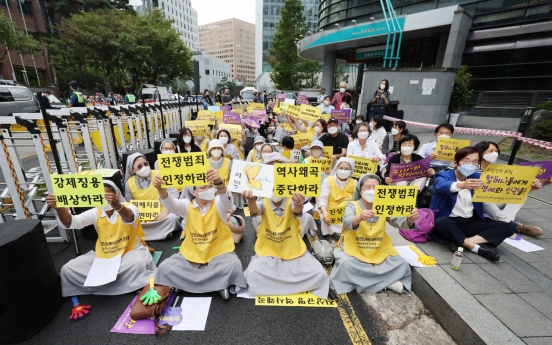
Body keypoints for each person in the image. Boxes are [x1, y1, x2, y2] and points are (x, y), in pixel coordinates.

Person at [46, 180, 155, 303]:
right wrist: (59, 208)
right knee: (68, 269)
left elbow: (129, 217)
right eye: (102, 196)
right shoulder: (95, 212)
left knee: (137, 265)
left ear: (116, 195)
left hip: (130, 253)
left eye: (108, 196)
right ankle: (121, 284)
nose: (106, 200)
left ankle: (100, 285)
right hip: (105, 256)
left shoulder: (129, 206)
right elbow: (71, 222)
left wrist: (117, 206)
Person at [152, 169, 247, 299]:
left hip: (218, 252)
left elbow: (227, 201)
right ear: (194, 191)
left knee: (233, 265)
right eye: (203, 188)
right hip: (192, 252)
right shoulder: (186, 205)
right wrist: (160, 188)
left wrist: (219, 182)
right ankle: (218, 284)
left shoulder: (218, 202)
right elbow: (170, 204)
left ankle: (182, 283)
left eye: (209, 186)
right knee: (165, 267)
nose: (208, 190)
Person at [330, 174, 419, 294]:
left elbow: (397, 221)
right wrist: (359, 217)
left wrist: (410, 220)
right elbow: (347, 220)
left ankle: (364, 282)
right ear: (360, 191)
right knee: (346, 264)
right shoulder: (353, 205)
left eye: (375, 187)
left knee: (402, 264)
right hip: (355, 246)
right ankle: (387, 282)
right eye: (368, 187)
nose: (372, 190)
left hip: (378, 246)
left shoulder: (384, 205)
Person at [430, 147, 517, 261]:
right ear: (456, 163)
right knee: (440, 222)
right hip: (448, 221)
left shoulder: (479, 177)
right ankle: (475, 247)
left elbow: (503, 187)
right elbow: (442, 186)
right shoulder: (443, 175)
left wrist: (529, 187)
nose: (470, 164)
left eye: (475, 162)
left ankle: (463, 242)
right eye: (466, 160)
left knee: (510, 226)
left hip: (470, 222)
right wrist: (462, 185)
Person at [242, 189, 330, 299]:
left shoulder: (291, 200)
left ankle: (273, 287)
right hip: (269, 253)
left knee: (319, 274)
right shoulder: (264, 203)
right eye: (272, 188)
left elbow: (297, 209)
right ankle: (297, 286)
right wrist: (250, 200)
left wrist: (299, 203)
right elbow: (255, 210)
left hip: (293, 252)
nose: (275, 191)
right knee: (252, 274)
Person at [475, 141, 546, 237]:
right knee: (483, 197)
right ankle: (514, 226)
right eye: (491, 151)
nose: (494, 154)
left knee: (520, 194)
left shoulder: (498, 169)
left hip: (494, 199)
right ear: (480, 152)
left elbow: (508, 189)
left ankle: (505, 222)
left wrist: (530, 187)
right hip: (477, 202)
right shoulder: (473, 167)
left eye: (496, 151)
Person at [124, 153, 182, 240]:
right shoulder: (129, 183)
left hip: (163, 213)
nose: (144, 167)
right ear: (132, 170)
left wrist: (166, 211)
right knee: (128, 223)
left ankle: (145, 235)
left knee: (172, 218)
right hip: (142, 217)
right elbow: (128, 204)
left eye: (146, 164)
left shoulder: (159, 174)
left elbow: (174, 193)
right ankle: (164, 233)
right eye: (139, 166)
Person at [317, 157, 356, 243]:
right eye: (341, 168)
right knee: (326, 220)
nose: (343, 170)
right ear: (336, 168)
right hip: (330, 210)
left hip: (346, 212)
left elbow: (356, 201)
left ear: (351, 170)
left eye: (346, 169)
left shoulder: (354, 183)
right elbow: (323, 199)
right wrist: (325, 213)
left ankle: (343, 236)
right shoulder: (328, 180)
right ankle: (332, 235)